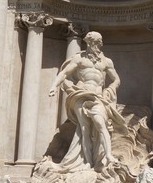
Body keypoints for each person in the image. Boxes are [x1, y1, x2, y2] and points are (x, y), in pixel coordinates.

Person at [49, 31, 123, 172]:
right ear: (88, 43)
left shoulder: (106, 61)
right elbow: (64, 73)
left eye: (98, 42)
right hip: (81, 95)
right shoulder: (79, 59)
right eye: (94, 42)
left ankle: (108, 156)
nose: (97, 45)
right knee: (84, 129)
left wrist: (110, 89)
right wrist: (54, 85)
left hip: (98, 97)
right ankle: (87, 162)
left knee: (101, 124)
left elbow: (116, 79)